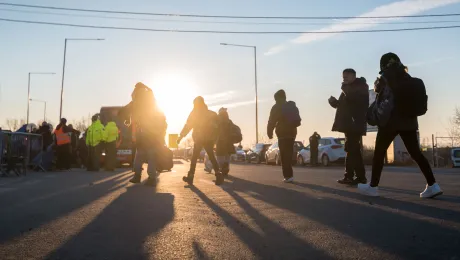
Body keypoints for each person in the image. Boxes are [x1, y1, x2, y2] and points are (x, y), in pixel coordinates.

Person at [358, 53, 443, 198]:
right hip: (409, 122)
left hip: (390, 123)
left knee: (379, 154)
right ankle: (433, 185)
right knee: (416, 153)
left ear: (383, 65)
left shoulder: (385, 79)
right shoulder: (408, 78)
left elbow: (384, 103)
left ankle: (373, 187)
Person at [329, 69, 369, 185]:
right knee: (353, 150)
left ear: (353, 76)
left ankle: (352, 176)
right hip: (349, 124)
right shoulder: (348, 88)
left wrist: (345, 88)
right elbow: (345, 105)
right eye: (343, 77)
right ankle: (357, 176)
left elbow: (355, 100)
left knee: (352, 150)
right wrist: (334, 103)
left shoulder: (359, 87)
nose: (344, 79)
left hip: (354, 124)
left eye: (346, 76)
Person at [178, 96, 223, 186]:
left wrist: (181, 136)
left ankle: (190, 177)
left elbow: (188, 125)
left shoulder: (195, 113)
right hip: (209, 138)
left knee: (194, 157)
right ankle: (218, 174)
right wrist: (215, 137)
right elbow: (218, 126)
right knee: (211, 156)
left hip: (199, 138)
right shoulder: (211, 113)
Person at [129, 82, 167, 186]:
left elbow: (134, 118)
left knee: (140, 155)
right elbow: (163, 120)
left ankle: (138, 176)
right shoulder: (152, 100)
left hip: (145, 134)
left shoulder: (138, 103)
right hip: (153, 135)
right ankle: (151, 178)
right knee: (151, 156)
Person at [267, 89, 301, 183]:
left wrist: (269, 133)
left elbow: (271, 121)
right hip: (292, 133)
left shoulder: (276, 107)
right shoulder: (291, 106)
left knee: (283, 154)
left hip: (282, 133)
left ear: (277, 98)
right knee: (288, 153)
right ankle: (290, 175)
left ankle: (288, 176)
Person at [216, 108, 237, 176]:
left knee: (220, 158)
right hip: (229, 142)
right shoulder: (229, 121)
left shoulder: (218, 120)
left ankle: (223, 168)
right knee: (227, 157)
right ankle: (226, 169)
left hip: (220, 142)